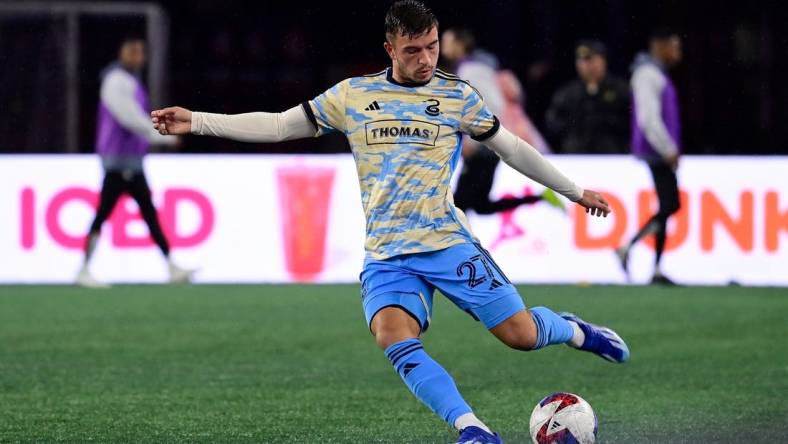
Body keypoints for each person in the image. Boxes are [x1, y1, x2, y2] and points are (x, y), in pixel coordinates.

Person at [151, 2, 629, 442]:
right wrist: (198, 120)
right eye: (413, 50)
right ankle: (471, 429)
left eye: (433, 46)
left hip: (447, 243)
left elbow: (513, 148)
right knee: (393, 337)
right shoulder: (353, 96)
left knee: (520, 336)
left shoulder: (457, 95)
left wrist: (574, 192)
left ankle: (573, 329)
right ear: (390, 49)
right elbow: (278, 125)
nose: (426, 59)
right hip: (387, 253)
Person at [77, 37, 194, 288]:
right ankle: (83, 269)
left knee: (147, 214)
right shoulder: (116, 80)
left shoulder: (129, 80)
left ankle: (172, 266)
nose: (137, 56)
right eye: (132, 51)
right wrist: (160, 136)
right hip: (119, 161)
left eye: (140, 52)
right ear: (122, 54)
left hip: (131, 160)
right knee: (106, 215)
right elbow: (128, 117)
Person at [440, 27, 564, 216]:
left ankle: (457, 246)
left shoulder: (472, 69)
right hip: (486, 147)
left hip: (484, 148)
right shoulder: (471, 68)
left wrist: (474, 140)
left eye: (446, 42)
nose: (442, 47)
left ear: (460, 44)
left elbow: (494, 105)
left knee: (459, 207)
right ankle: (541, 198)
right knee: (480, 206)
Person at [616, 29, 684, 286]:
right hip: (655, 150)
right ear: (660, 46)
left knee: (667, 206)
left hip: (658, 149)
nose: (678, 53)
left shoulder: (655, 74)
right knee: (670, 204)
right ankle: (628, 247)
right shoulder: (647, 74)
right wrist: (667, 148)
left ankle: (655, 267)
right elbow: (649, 118)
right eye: (674, 47)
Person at [545, 40, 630, 154]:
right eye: (582, 61)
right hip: (576, 156)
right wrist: (575, 124)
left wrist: (607, 121)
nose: (588, 66)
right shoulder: (568, 93)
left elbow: (631, 122)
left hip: (612, 156)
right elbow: (552, 122)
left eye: (592, 60)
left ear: (603, 61)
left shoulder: (621, 89)